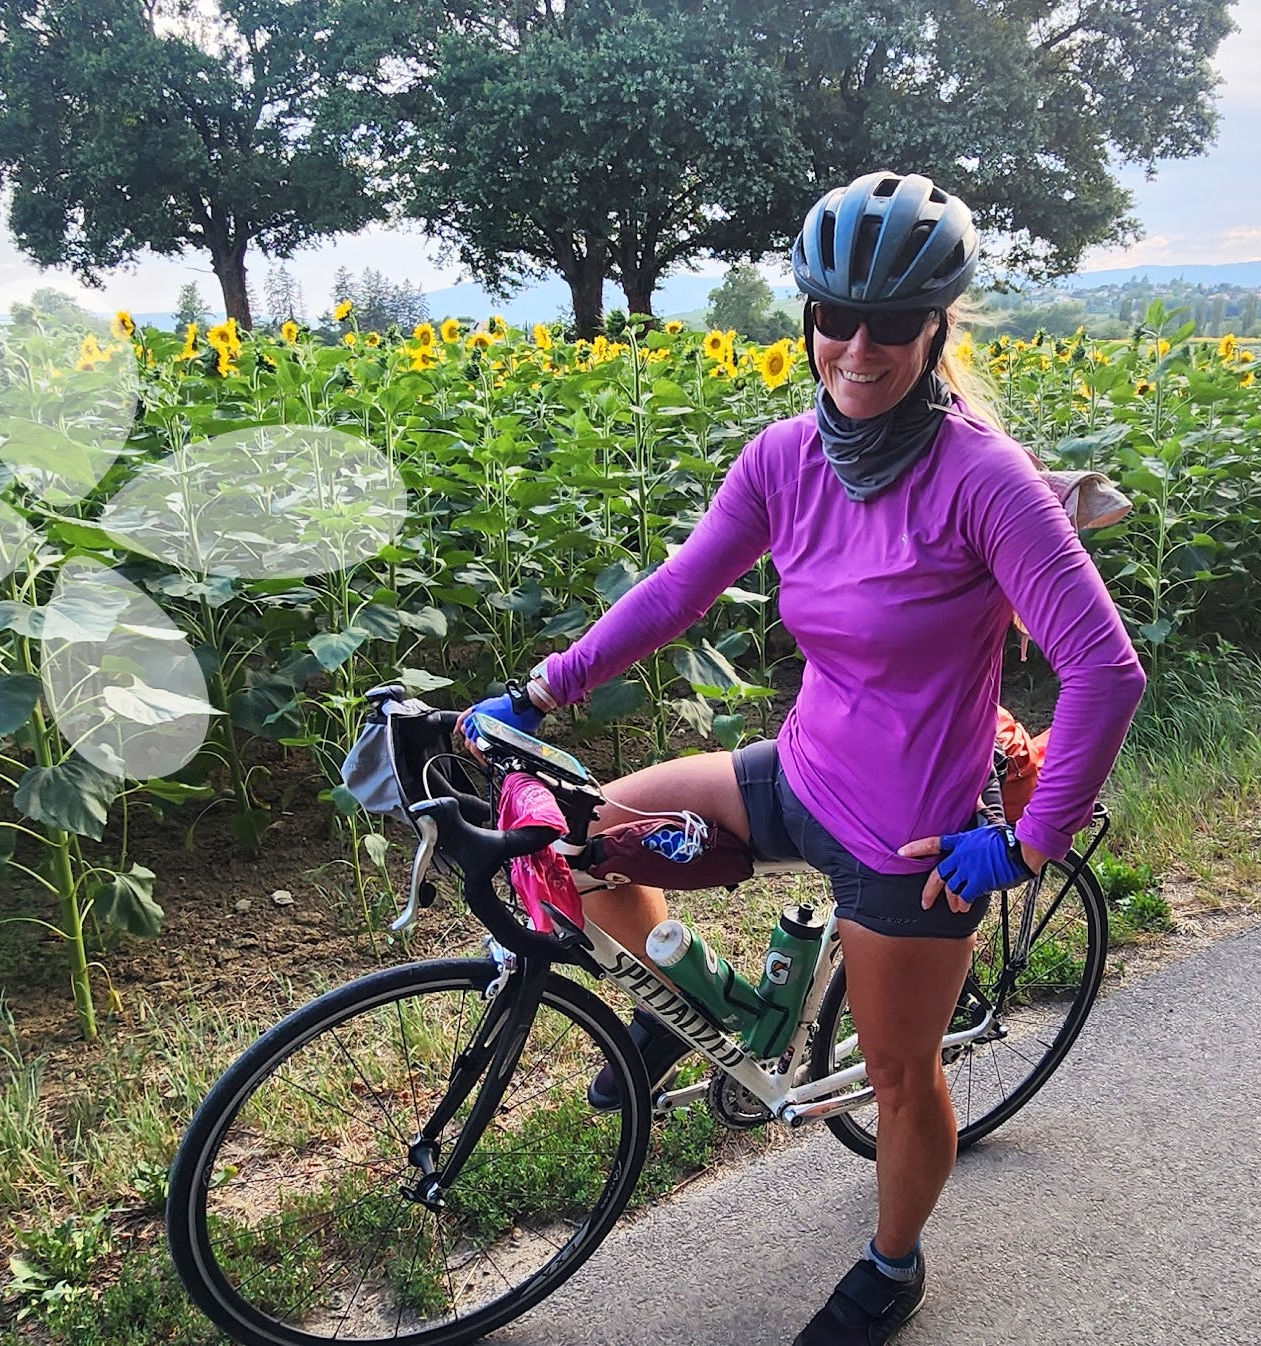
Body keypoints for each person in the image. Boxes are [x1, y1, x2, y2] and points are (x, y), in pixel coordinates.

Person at [467, 169, 1145, 1346]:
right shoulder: (784, 457)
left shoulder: (981, 480)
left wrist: (1025, 844)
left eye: (893, 323)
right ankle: (677, 1008)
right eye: (837, 317)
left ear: (936, 328)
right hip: (799, 768)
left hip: (914, 837)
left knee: (898, 1077)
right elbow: (681, 587)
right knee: (577, 834)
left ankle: (893, 1265)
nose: (861, 347)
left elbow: (1105, 670)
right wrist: (541, 688)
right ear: (807, 319)